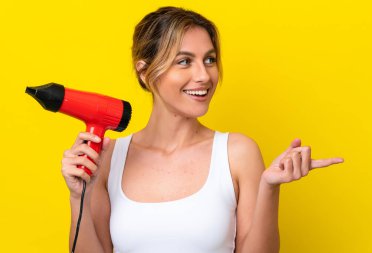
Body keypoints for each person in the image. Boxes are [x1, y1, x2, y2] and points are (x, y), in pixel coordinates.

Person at [61, 6, 344, 253]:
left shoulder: (237, 153)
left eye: (209, 59)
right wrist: (78, 197)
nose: (204, 75)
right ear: (144, 72)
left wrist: (268, 189)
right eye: (184, 61)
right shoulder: (108, 158)